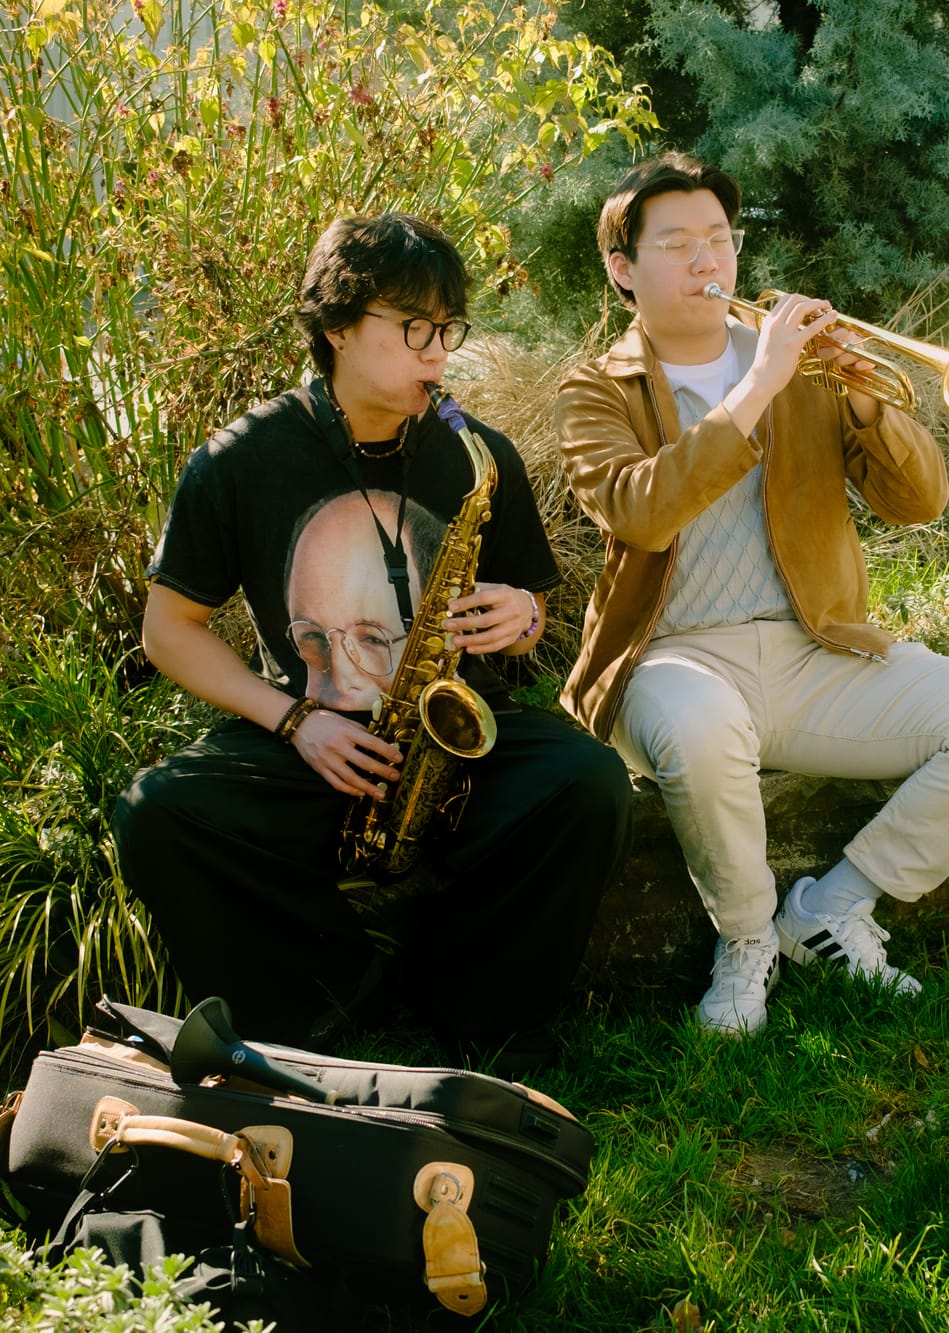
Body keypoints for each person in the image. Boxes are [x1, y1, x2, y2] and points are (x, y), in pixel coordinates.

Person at [554, 152, 949, 1037]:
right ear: (623, 269)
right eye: (677, 244)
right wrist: (759, 386)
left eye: (720, 238)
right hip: (669, 659)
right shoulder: (597, 388)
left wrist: (861, 399)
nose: (707, 259)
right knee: (700, 728)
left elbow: (920, 502)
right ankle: (747, 938)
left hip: (813, 648)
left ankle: (832, 907)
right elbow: (641, 512)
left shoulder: (803, 369)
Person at [115, 213, 630, 1072]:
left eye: (448, 330)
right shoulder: (240, 459)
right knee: (158, 812)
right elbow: (168, 632)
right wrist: (294, 722)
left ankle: (482, 1009)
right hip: (316, 737)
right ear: (337, 329)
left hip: (458, 733)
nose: (439, 355)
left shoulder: (478, 454)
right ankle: (327, 993)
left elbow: (534, 603)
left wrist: (523, 615)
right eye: (414, 329)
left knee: (588, 785)